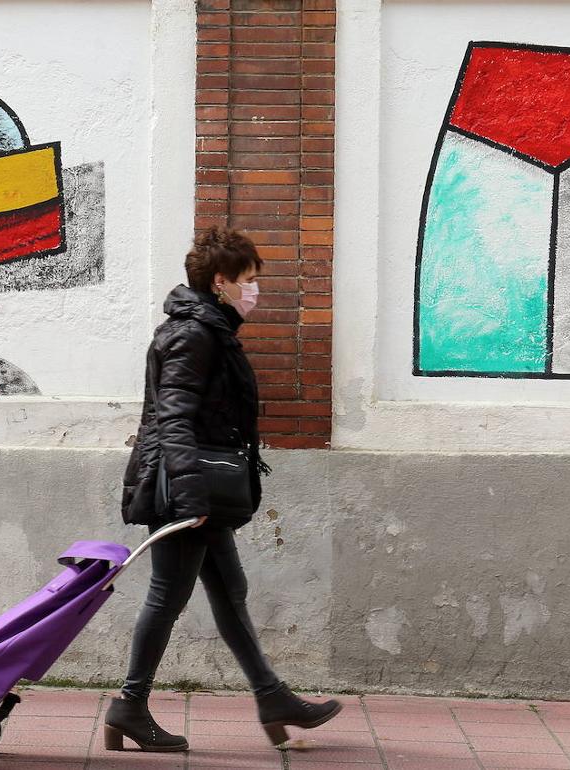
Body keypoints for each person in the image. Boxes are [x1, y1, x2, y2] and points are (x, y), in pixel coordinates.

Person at [104, 227, 342, 752]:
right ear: (220, 281)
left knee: (230, 591)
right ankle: (130, 705)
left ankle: (272, 698)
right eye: (248, 279)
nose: (254, 290)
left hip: (199, 487)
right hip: (187, 489)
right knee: (167, 596)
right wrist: (191, 497)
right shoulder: (193, 335)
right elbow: (173, 419)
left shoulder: (209, 330)